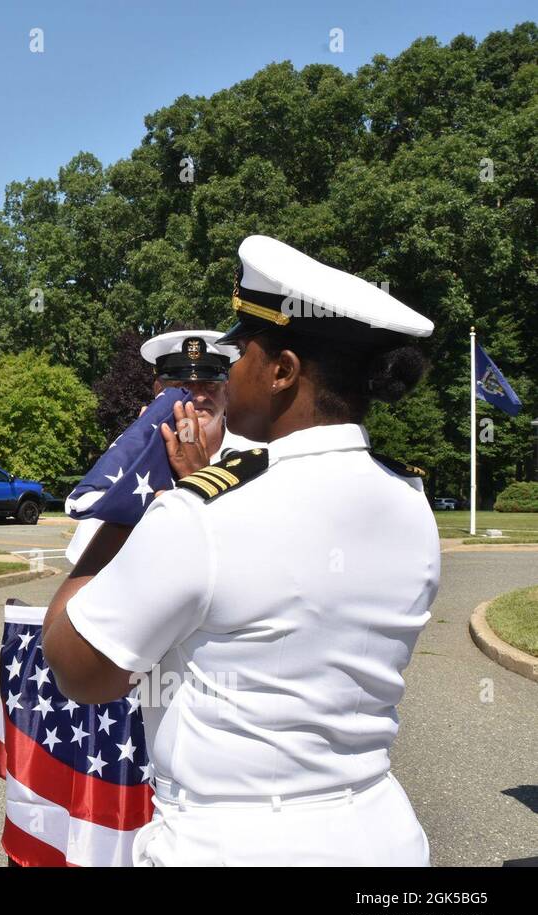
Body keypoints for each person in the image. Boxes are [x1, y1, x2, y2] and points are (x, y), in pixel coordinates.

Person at [42, 234, 439, 866]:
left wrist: (118, 519)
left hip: (237, 842)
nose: (227, 374)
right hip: (381, 831)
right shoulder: (410, 501)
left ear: (281, 371)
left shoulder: (203, 514)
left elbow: (78, 670)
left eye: (241, 353)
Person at [65, 329, 262, 565]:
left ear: (226, 390)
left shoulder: (257, 457)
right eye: (184, 386)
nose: (198, 397)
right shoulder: (129, 461)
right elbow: (88, 570)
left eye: (209, 384)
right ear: (159, 391)